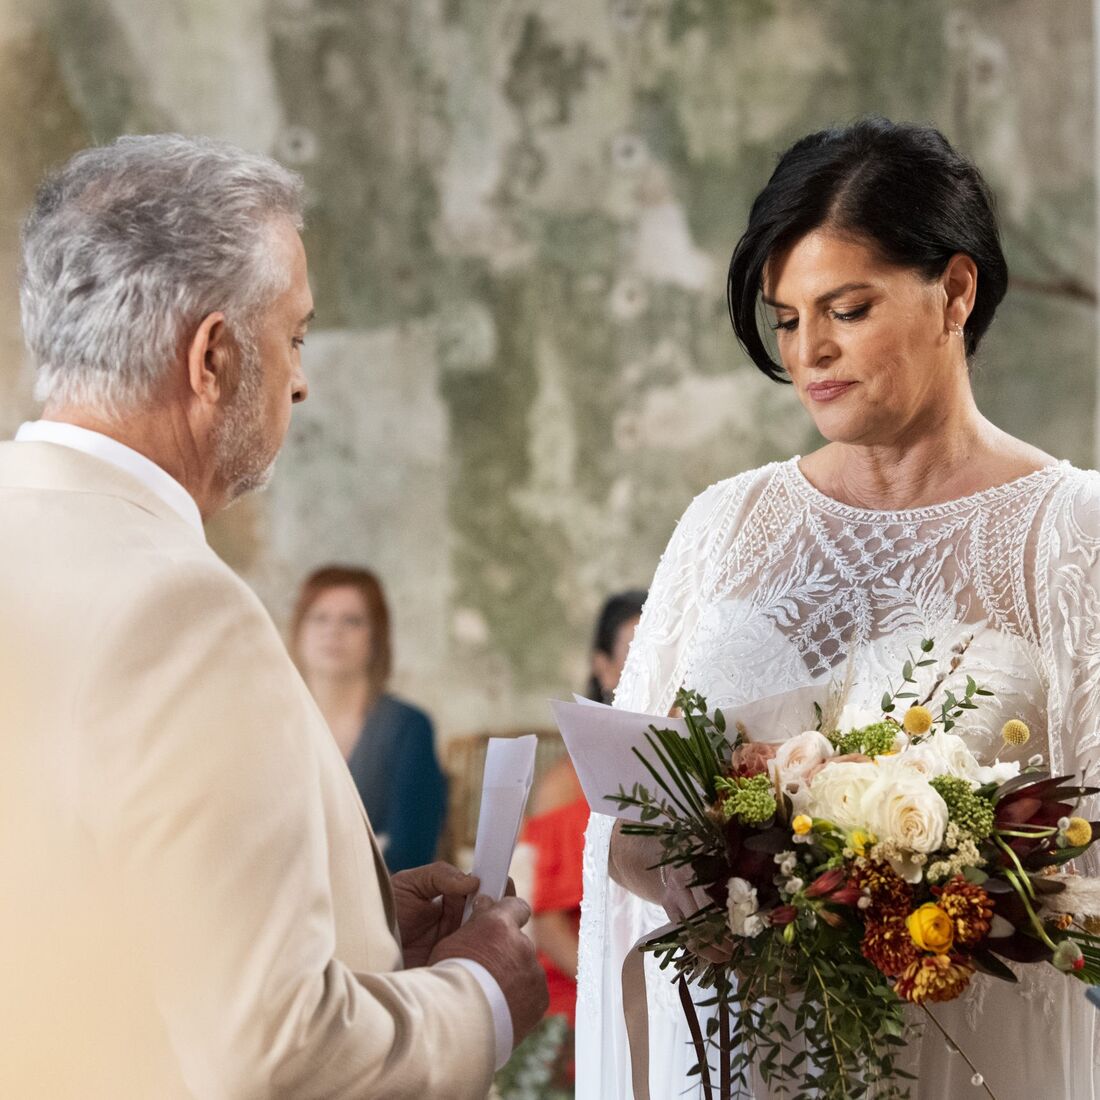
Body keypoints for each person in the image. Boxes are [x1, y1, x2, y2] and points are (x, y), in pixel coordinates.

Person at [0, 134, 546, 1098]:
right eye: (294, 335)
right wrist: (484, 992)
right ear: (213, 358)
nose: (301, 380)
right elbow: (279, 1056)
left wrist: (363, 931)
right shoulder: (178, 609)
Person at [577, 117, 1100, 1099]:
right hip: (734, 1063)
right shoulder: (724, 523)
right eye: (785, 318)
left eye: (846, 308)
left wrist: (923, 881)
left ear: (953, 289)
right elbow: (637, 808)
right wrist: (713, 848)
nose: (807, 350)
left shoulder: (1073, 531)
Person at [524, 591, 646, 1028]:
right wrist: (618, 994)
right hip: (585, 991)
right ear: (604, 668)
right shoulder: (564, 784)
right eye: (637, 655)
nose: (653, 670)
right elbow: (547, 923)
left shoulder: (704, 762)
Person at [291, 565, 448, 873]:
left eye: (352, 621)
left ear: (376, 637)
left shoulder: (408, 727)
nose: (333, 631)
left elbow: (410, 857)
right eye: (319, 617)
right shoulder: (273, 722)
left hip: (377, 911)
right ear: (298, 632)